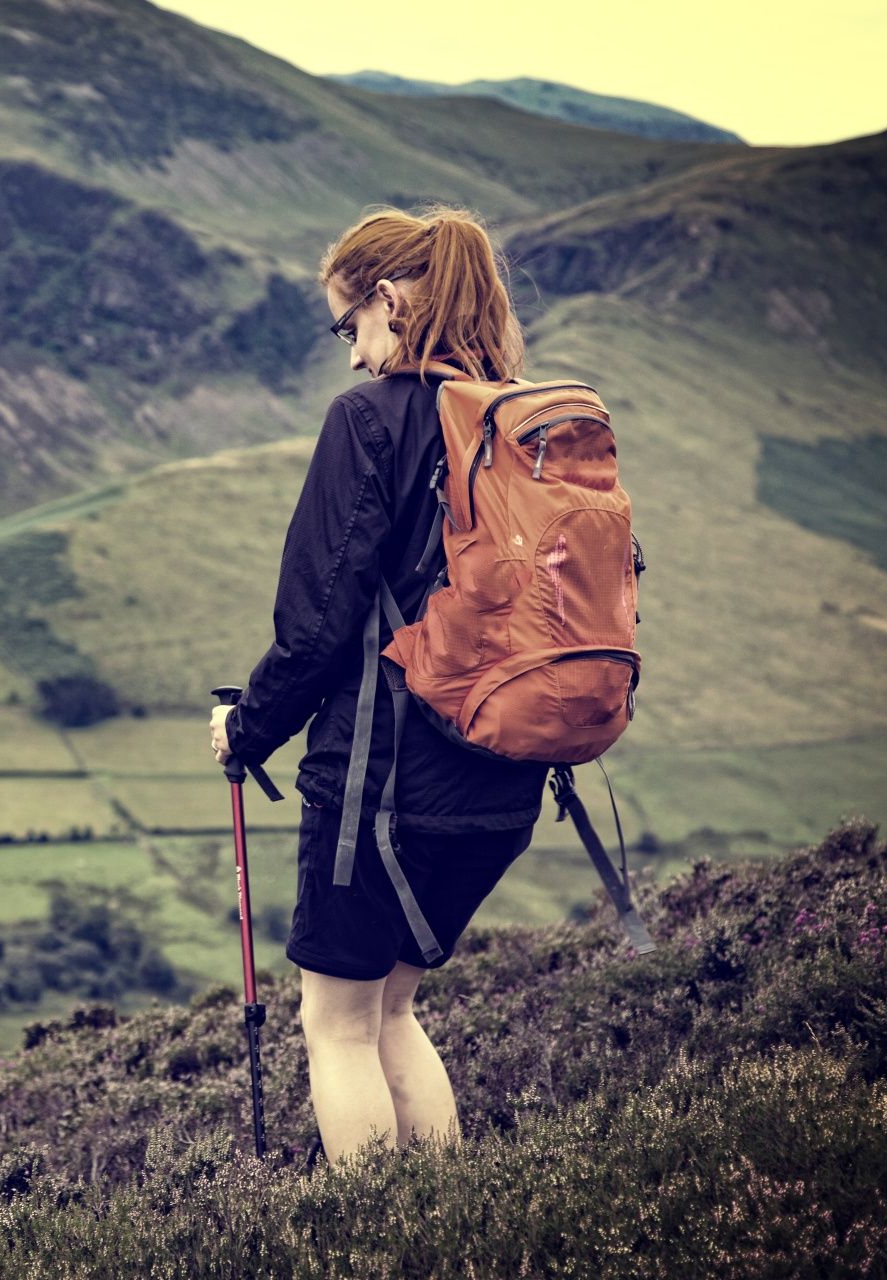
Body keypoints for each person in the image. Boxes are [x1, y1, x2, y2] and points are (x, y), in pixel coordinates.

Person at [207, 204, 551, 1169]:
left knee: (338, 1022)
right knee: (392, 1007)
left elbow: (315, 625)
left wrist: (246, 730)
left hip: (381, 791)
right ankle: (442, 1228)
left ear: (391, 302)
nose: (353, 356)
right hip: (503, 781)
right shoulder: (513, 422)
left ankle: (381, 1242)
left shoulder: (372, 421)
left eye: (348, 325)